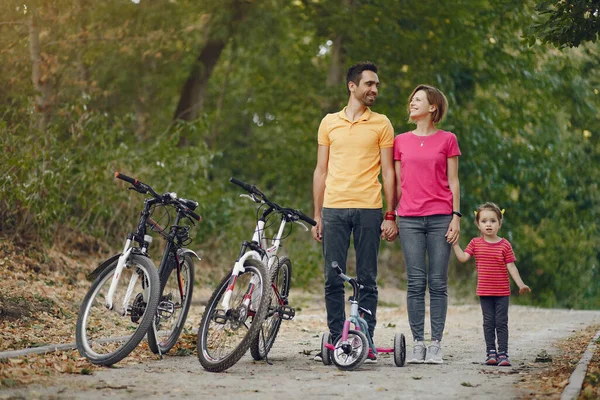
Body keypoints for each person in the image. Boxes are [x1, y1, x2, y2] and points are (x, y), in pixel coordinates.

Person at [312, 61, 398, 363]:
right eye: (369, 84)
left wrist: (391, 214)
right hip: (333, 209)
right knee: (332, 278)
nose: (374, 89)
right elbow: (321, 170)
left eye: (376, 85)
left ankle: (366, 339)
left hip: (369, 209)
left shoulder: (382, 123)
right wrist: (318, 215)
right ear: (352, 86)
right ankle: (338, 341)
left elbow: (388, 172)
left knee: (367, 278)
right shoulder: (329, 122)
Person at [393, 84, 461, 364]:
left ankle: (436, 345)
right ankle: (418, 343)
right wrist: (390, 215)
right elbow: (397, 183)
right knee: (415, 282)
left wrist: (456, 216)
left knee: (437, 282)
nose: (412, 103)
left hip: (440, 217)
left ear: (433, 107)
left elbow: (454, 181)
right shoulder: (400, 141)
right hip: (408, 218)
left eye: (418, 99)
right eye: (412, 99)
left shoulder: (448, 139)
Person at [452, 202, 531, 367]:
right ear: (478, 224)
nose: (489, 224)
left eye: (493, 221)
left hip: (502, 292)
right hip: (485, 292)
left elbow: (511, 266)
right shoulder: (475, 243)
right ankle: (491, 353)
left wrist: (521, 284)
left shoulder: (505, 245)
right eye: (484, 221)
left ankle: (503, 353)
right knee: (488, 323)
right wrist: (455, 244)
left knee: (501, 322)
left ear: (499, 223)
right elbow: (463, 258)